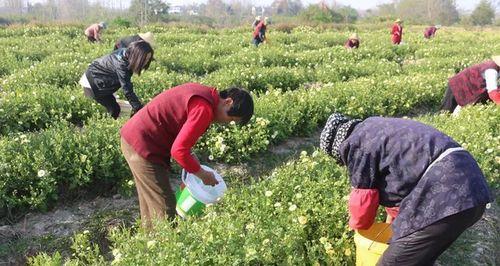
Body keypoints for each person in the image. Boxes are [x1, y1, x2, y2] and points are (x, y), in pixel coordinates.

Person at [320, 113, 493, 265]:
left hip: (446, 197)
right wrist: (395, 229)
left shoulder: (357, 145)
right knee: (419, 258)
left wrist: (356, 230)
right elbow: (402, 184)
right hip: (472, 192)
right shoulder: (376, 129)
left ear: (337, 148)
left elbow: (362, 204)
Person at [120, 83, 254, 227]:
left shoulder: (204, 94)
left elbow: (176, 121)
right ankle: (162, 246)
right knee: (165, 208)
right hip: (142, 144)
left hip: (136, 138)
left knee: (151, 202)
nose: (226, 123)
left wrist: (191, 157)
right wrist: (202, 175)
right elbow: (178, 151)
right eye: (231, 119)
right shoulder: (204, 109)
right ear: (228, 102)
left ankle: (147, 242)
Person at [79, 41, 153, 119]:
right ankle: (109, 126)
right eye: (145, 59)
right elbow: (127, 90)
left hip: (96, 77)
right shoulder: (122, 65)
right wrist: (139, 109)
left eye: (148, 59)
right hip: (93, 83)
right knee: (115, 109)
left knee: (119, 106)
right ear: (138, 56)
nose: (146, 62)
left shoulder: (125, 52)